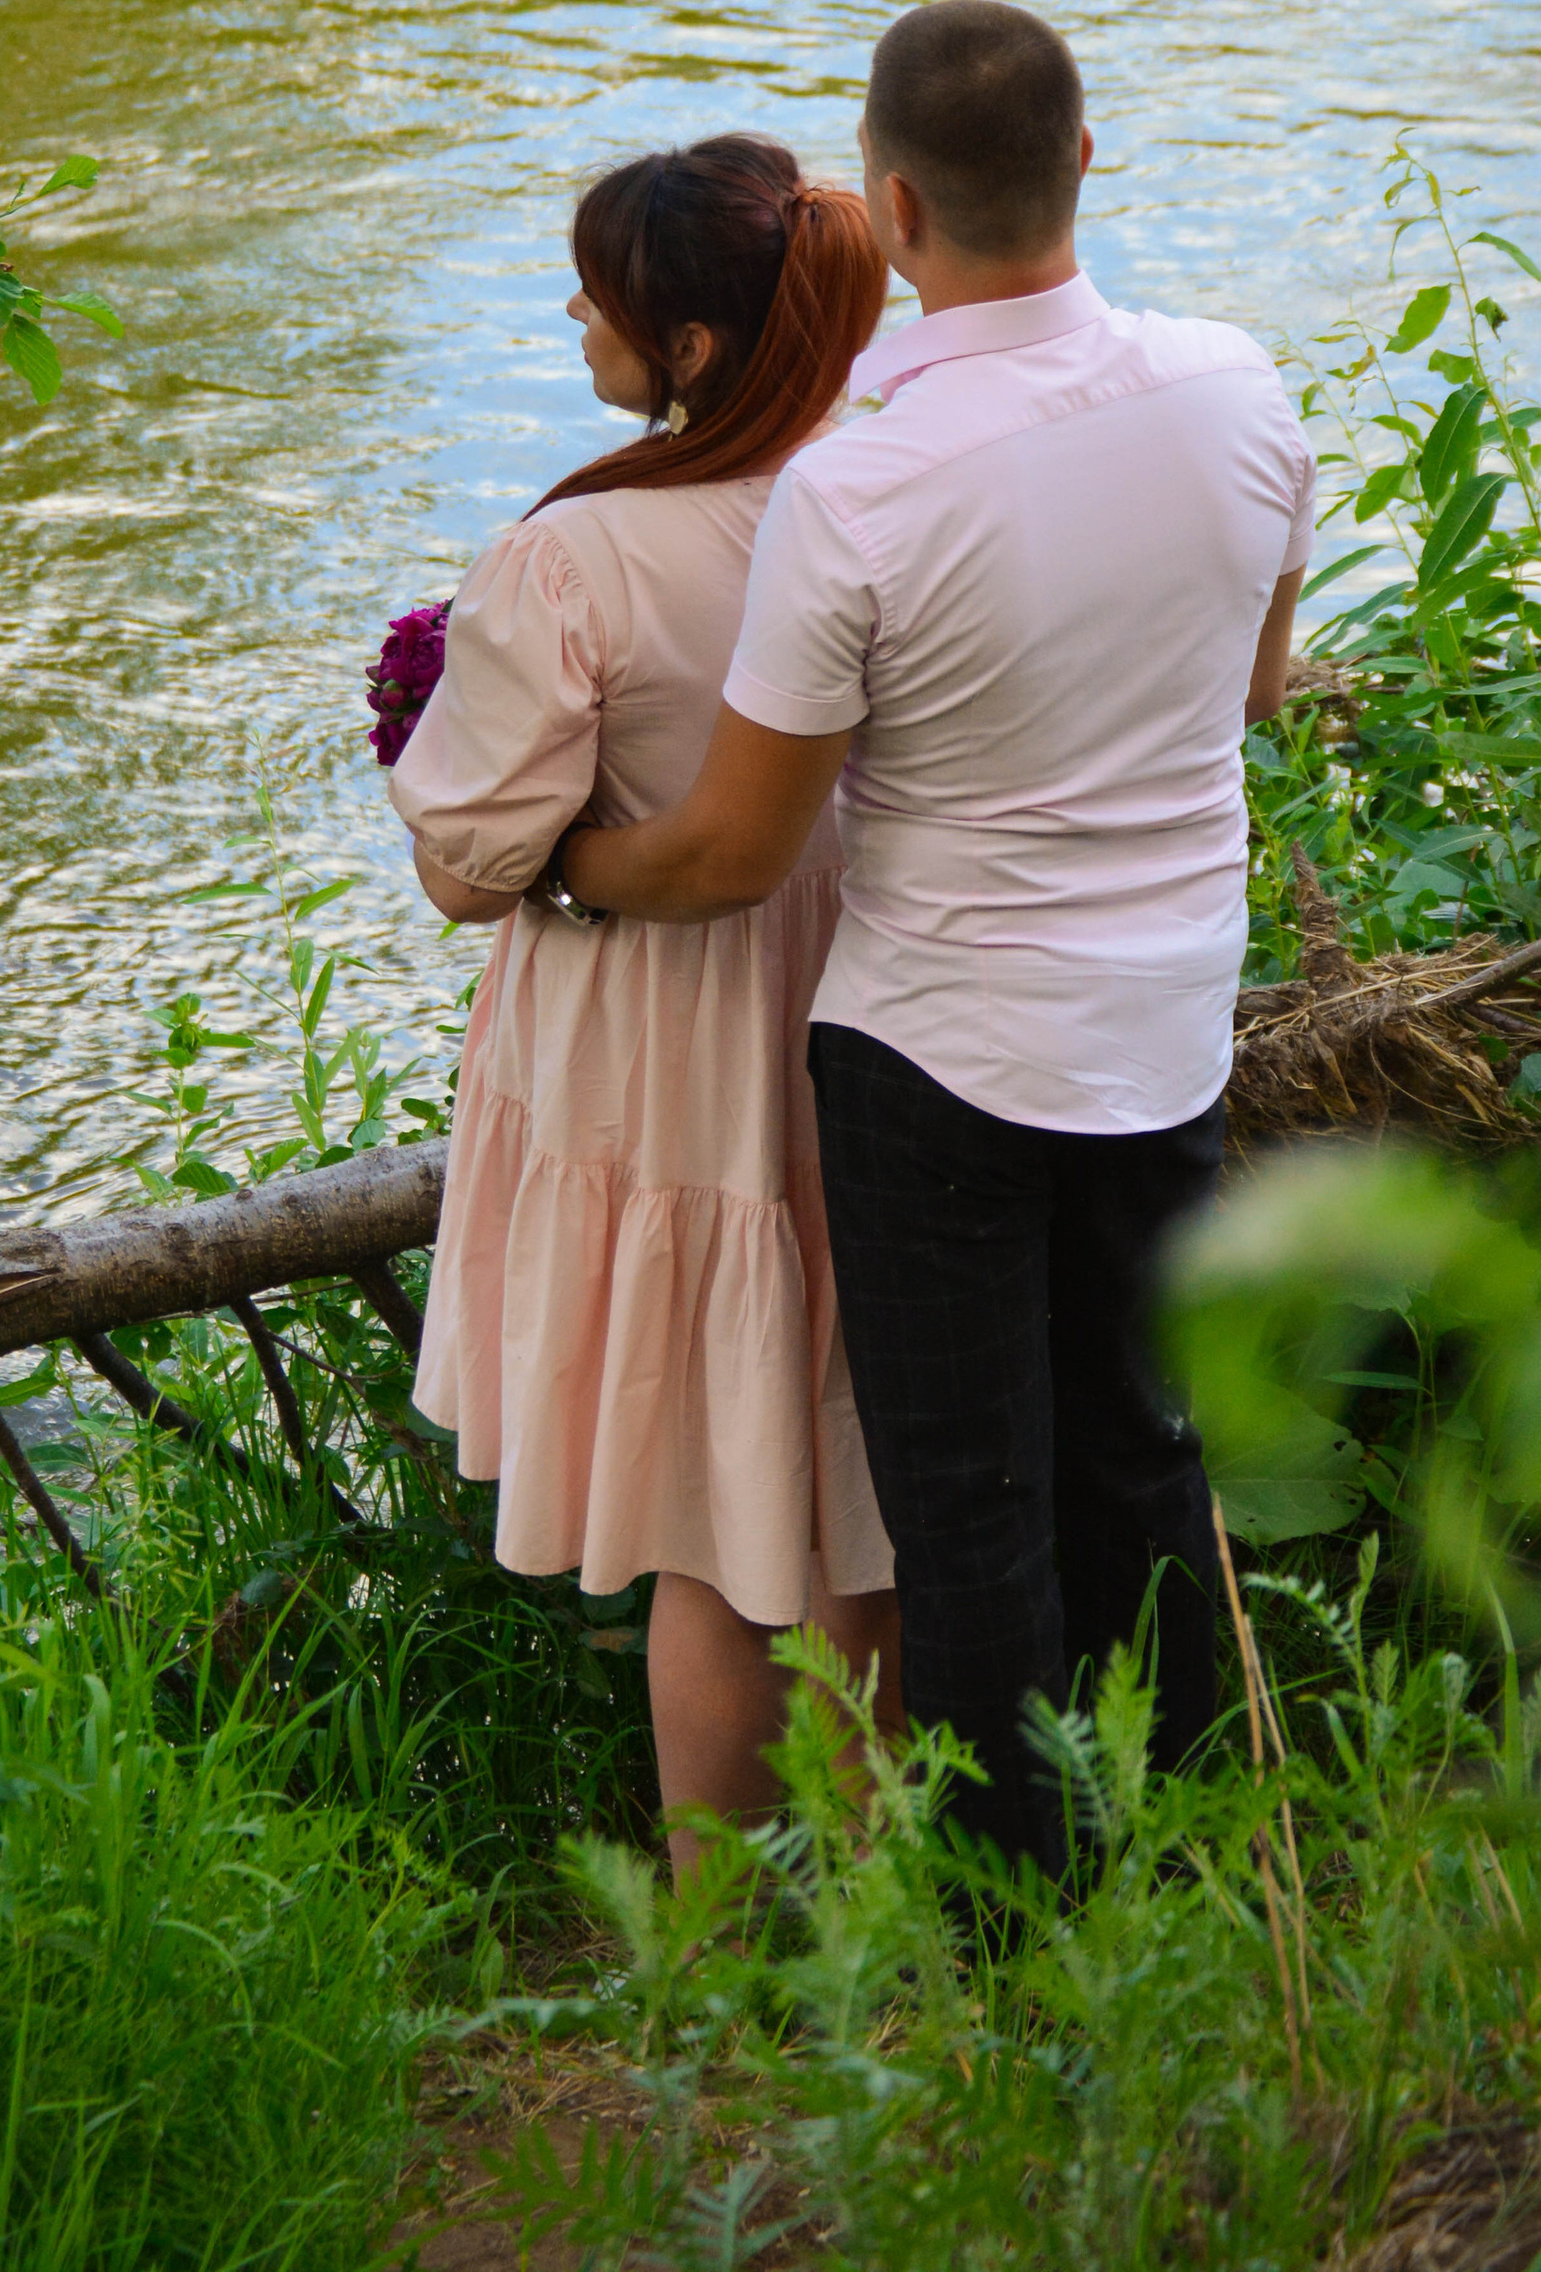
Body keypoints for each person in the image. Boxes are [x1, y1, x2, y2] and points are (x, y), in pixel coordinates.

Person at [556, 4, 1313, 1880]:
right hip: (1165, 1029)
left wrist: (569, 866)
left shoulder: (867, 486)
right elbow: (1260, 692)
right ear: (1083, 161)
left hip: (944, 1060)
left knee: (967, 1516)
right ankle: (1195, 1853)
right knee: (1141, 1455)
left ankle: (1019, 1935)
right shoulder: (1242, 388)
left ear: (889, 206)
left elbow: (736, 850)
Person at [388, 135, 901, 1857]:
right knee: (855, 1491)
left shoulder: (584, 559)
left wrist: (450, 757)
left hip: (668, 1054)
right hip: (895, 1005)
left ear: (684, 344)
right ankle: (877, 1913)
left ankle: (712, 1955)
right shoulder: (893, 480)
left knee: (712, 1526)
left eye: (601, 289)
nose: (573, 310)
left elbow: (467, 867)